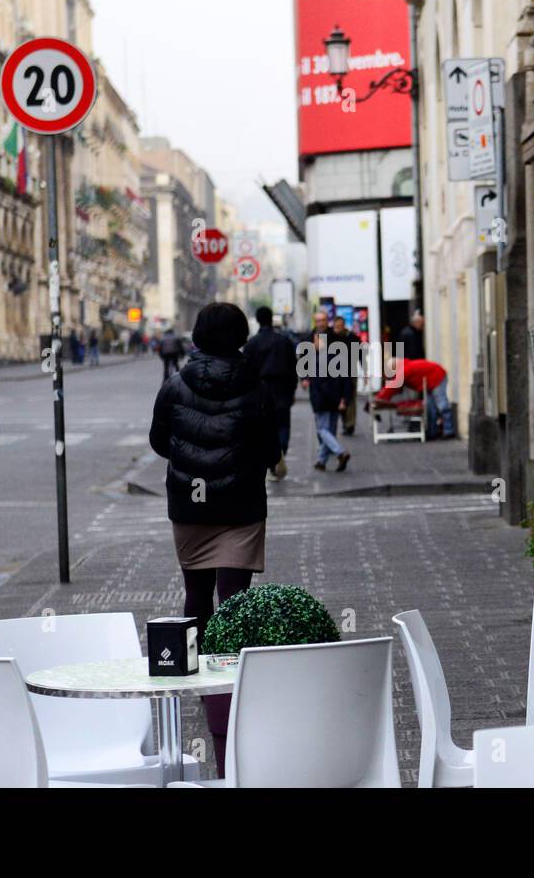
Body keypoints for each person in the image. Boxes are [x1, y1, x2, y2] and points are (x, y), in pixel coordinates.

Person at [150, 302, 280, 777]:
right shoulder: (256, 387)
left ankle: (198, 681)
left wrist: (194, 458)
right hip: (241, 506)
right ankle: (229, 689)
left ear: (199, 336)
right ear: (242, 336)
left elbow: (159, 441)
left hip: (191, 505)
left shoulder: (174, 384)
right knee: (233, 601)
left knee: (196, 594)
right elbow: (270, 449)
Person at [242, 305, 298, 481]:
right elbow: (292, 368)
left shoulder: (251, 344)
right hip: (282, 390)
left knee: (262, 428)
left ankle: (271, 460)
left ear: (258, 320)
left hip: (259, 391)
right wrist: (292, 390)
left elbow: (246, 372)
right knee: (283, 425)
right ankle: (280, 454)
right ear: (271, 319)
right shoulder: (284, 341)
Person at [373, 356, 455, 439]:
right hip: (432, 379)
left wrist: (379, 398)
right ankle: (432, 432)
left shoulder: (404, 369)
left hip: (437, 377)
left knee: (442, 405)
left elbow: (393, 386)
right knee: (431, 408)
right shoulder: (405, 367)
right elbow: (394, 387)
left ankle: (449, 431)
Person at [308, 330, 352, 472]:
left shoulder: (318, 359)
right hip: (336, 401)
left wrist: (335, 399)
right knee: (329, 432)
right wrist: (344, 399)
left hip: (323, 401)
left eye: (315, 340)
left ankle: (340, 452)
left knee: (323, 431)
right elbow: (347, 380)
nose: (313, 344)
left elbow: (321, 384)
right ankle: (321, 461)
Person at [330, 315, 360, 436]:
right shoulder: (331, 337)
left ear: (344, 326)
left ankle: (350, 424)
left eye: (340, 327)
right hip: (335, 373)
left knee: (350, 398)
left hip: (350, 372)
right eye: (336, 327)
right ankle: (344, 422)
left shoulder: (352, 337)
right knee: (338, 398)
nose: (338, 329)